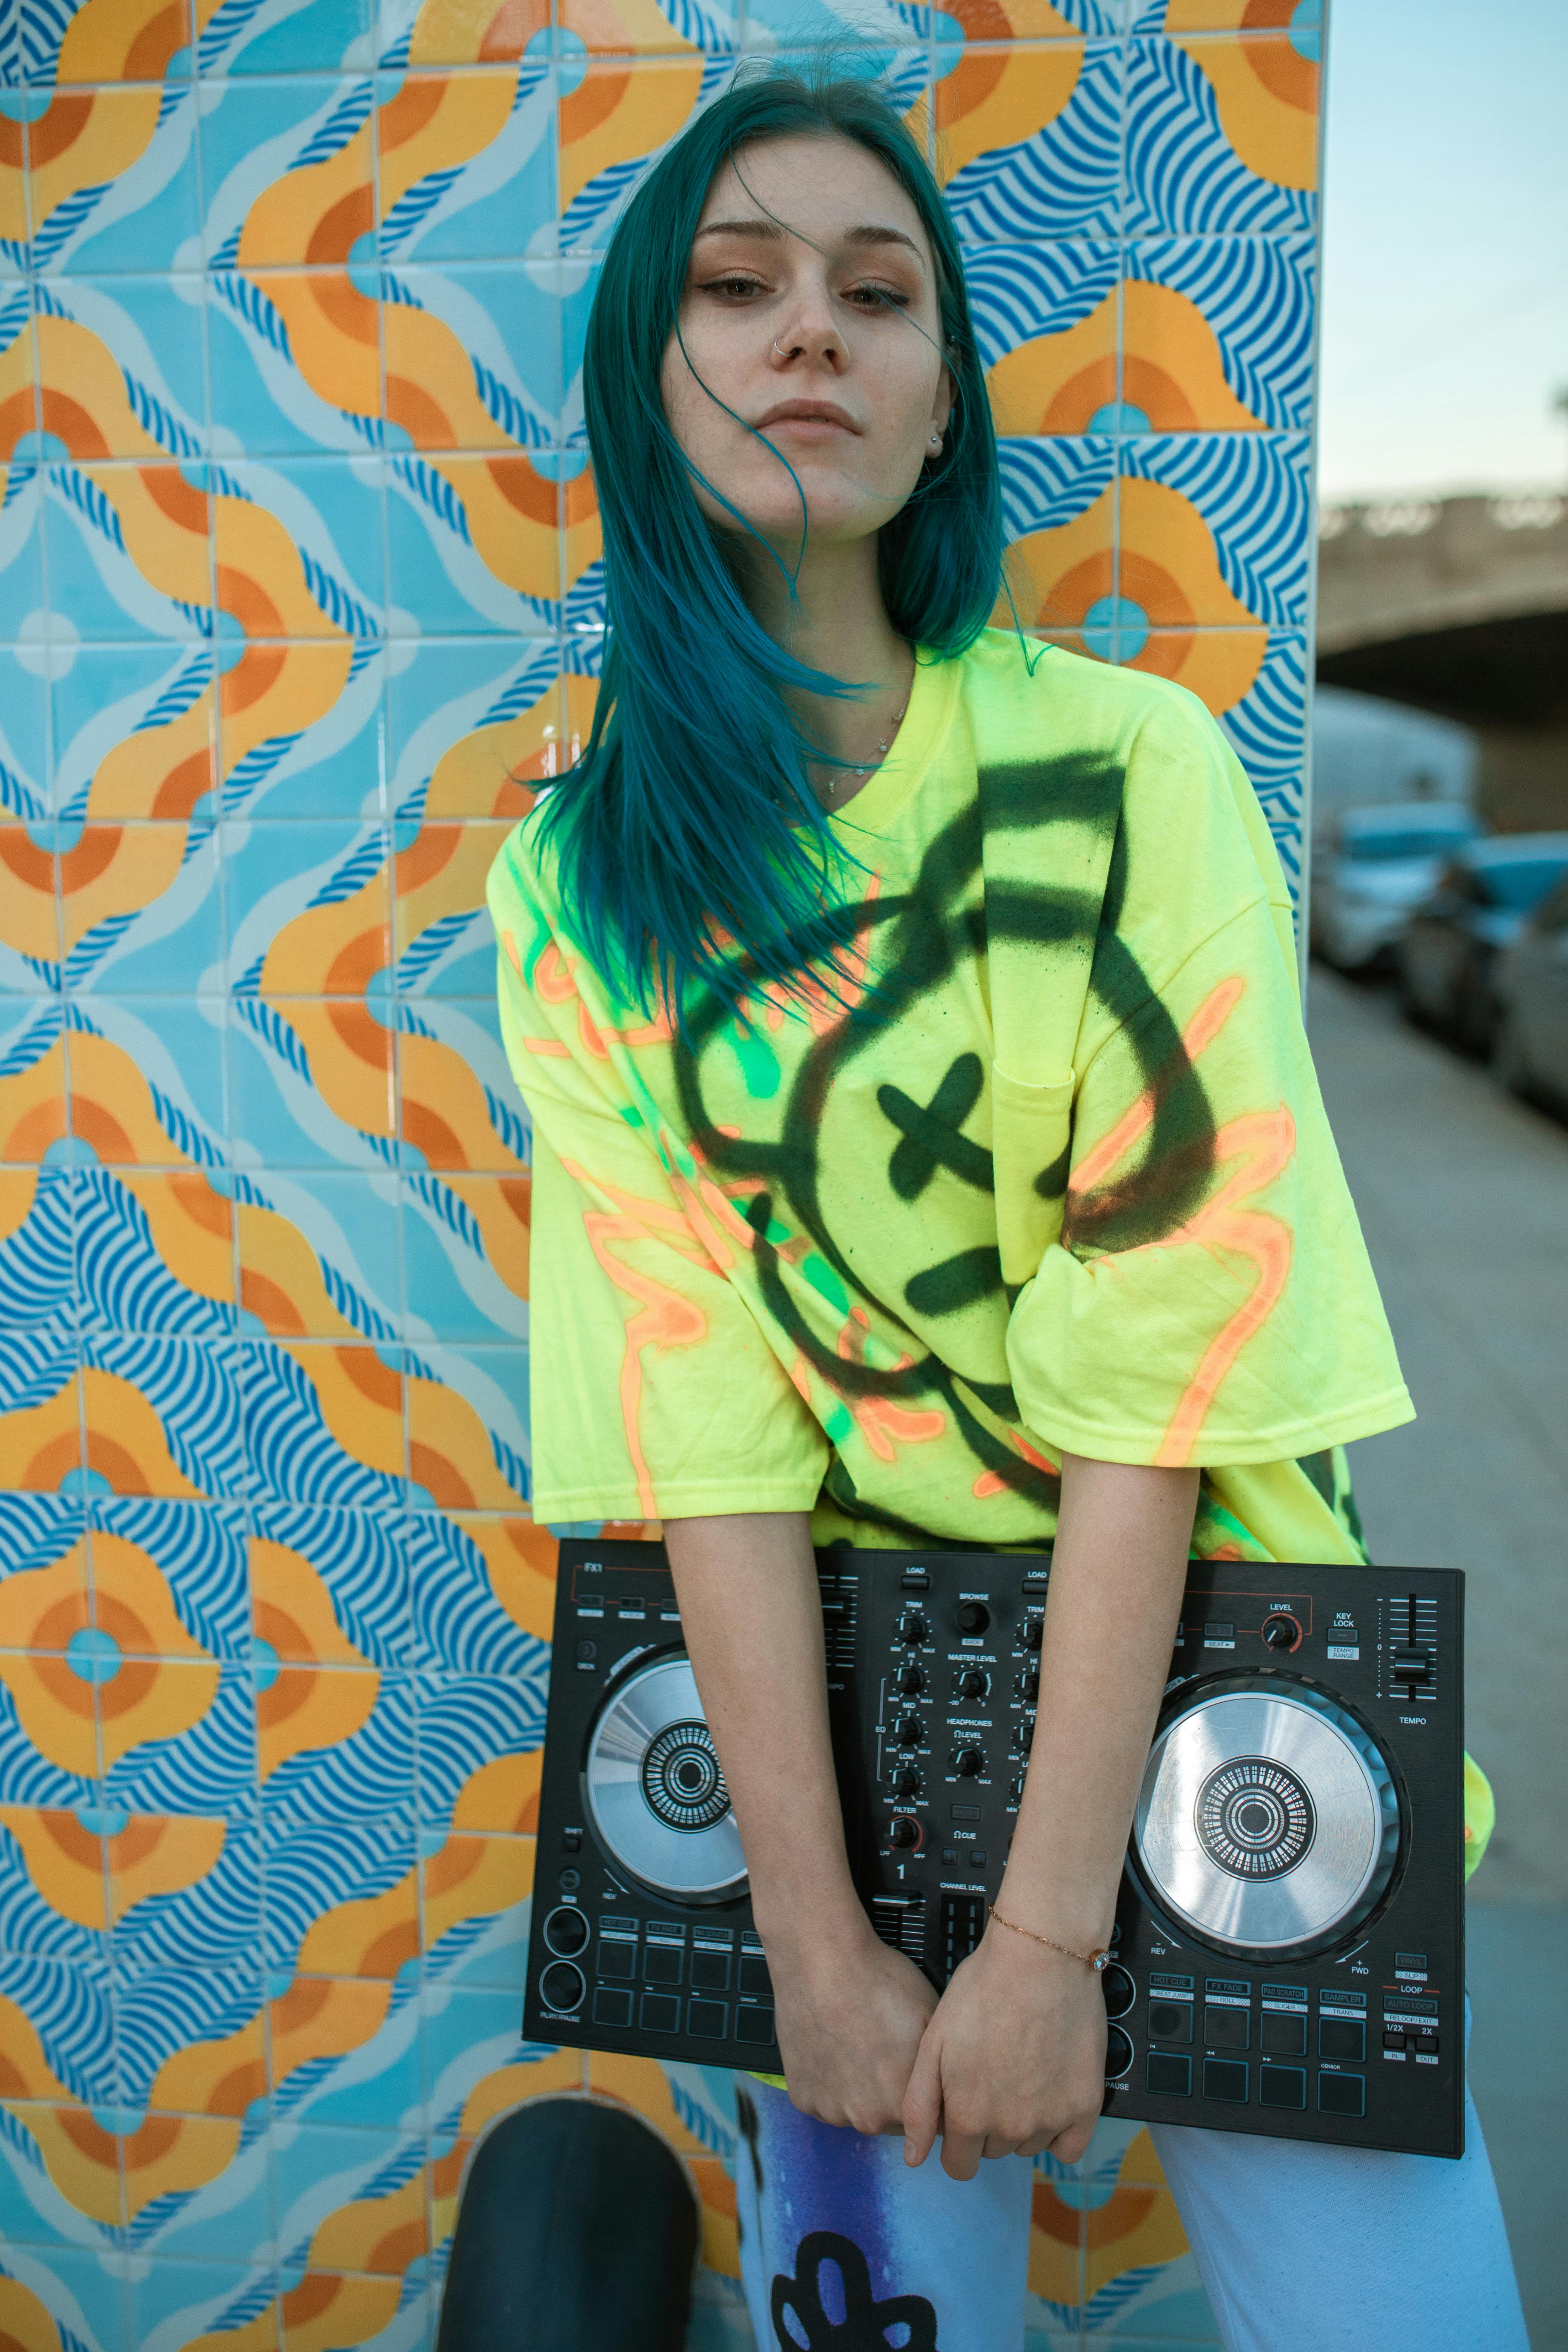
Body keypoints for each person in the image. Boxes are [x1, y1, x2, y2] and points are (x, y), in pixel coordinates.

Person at [487, 64, 1528, 2352]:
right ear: (647, 378)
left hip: (1233, 1706)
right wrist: (814, 1941)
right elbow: (702, 1434)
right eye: (736, 289)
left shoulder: (1123, 767)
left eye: (876, 296)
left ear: (942, 401)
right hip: (832, 1748)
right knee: (869, 2323)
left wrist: (1054, 1935)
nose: (807, 339)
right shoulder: (576, 882)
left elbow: (1158, 1361)